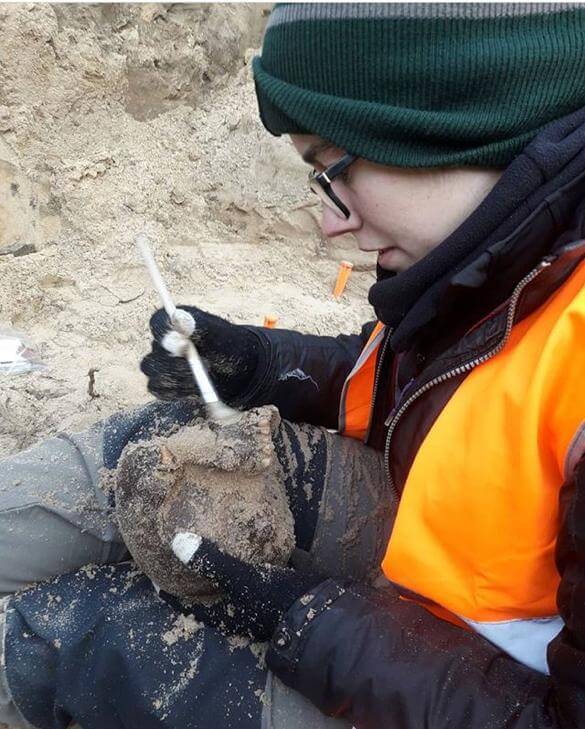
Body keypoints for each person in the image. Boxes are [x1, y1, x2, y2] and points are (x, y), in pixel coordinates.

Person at [1, 3, 585, 728]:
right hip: (439, 580)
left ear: (445, 125)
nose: (329, 220)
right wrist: (259, 363)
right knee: (150, 456)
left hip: (488, 684)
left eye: (331, 169)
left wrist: (309, 621)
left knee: (81, 637)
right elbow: (426, 389)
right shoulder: (511, 254)